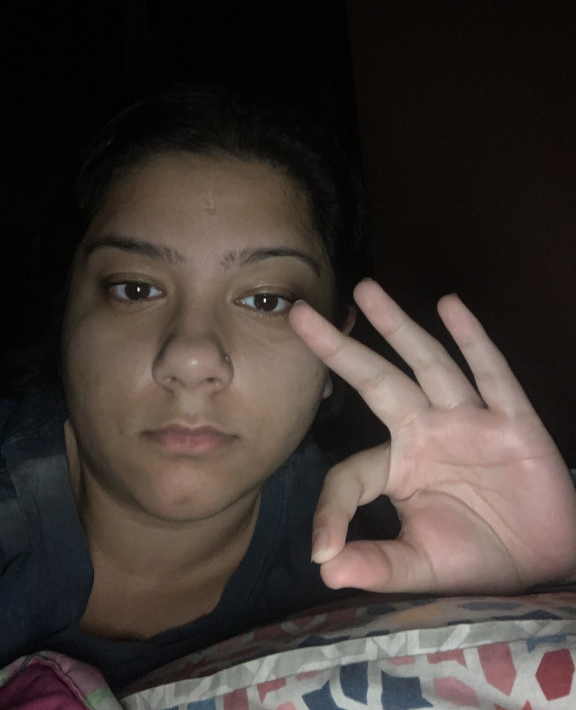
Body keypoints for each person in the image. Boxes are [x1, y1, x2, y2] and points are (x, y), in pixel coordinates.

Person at [1, 85, 575, 693]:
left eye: (265, 301)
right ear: (67, 315)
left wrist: (533, 594)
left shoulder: (395, 555)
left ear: (334, 354)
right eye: (135, 289)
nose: (192, 358)